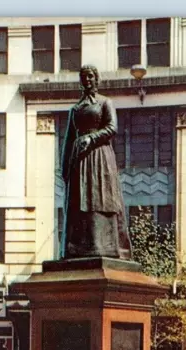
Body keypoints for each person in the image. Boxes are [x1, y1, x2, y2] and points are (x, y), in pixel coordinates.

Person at [61, 65, 132, 260]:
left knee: (99, 198)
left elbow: (112, 127)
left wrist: (92, 139)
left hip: (99, 156)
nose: (87, 80)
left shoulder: (104, 103)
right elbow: (68, 139)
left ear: (96, 79)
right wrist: (65, 166)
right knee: (80, 201)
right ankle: (79, 247)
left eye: (90, 76)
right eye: (84, 77)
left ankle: (104, 246)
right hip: (80, 158)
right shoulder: (75, 109)